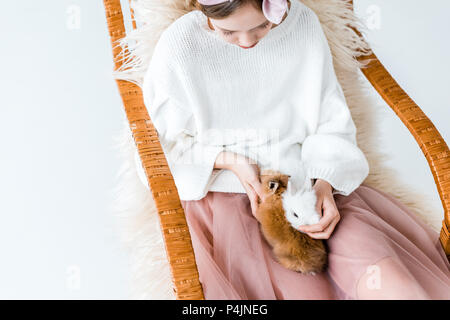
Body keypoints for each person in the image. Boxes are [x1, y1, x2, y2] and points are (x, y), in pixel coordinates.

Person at [137, 0, 450, 299]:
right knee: (301, 289)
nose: (247, 42)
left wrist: (325, 184)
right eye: (228, 32)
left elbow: (330, 121)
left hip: (308, 184)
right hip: (227, 200)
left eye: (262, 26)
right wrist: (227, 160)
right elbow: (157, 149)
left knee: (388, 279)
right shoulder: (180, 43)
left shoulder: (303, 25)